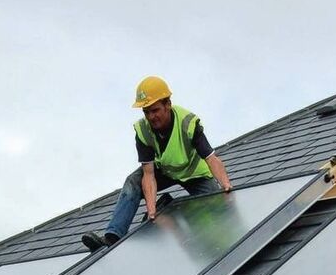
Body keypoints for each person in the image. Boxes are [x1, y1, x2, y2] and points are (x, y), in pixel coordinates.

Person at [81, 76, 233, 251]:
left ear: (168, 104)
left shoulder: (188, 123)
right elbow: (148, 174)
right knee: (132, 182)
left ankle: (168, 207)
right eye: (146, 112)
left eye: (155, 110)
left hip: (194, 175)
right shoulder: (143, 130)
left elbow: (211, 158)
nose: (151, 117)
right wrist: (152, 211)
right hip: (165, 171)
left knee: (218, 208)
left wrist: (226, 185)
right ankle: (112, 236)